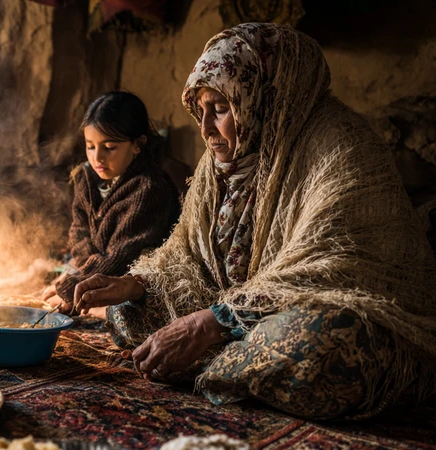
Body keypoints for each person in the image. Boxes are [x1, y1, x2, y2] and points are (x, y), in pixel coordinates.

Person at [73, 23, 436, 420]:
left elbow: (331, 271)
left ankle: (213, 363)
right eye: (201, 110)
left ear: (264, 98)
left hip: (346, 318)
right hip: (241, 322)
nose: (206, 128)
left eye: (222, 109)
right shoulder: (222, 163)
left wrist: (212, 322)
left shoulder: (341, 147)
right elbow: (186, 253)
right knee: (126, 310)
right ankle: (235, 365)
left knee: (321, 346)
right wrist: (136, 284)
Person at [41, 91, 179, 315]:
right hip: (95, 269)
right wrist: (81, 274)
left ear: (138, 144)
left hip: (128, 278)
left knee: (115, 312)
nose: (97, 158)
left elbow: (122, 256)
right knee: (49, 291)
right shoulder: (86, 178)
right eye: (90, 146)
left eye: (109, 147)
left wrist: (72, 287)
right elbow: (79, 231)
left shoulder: (149, 189)